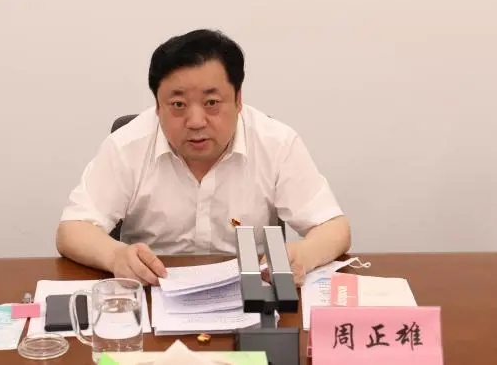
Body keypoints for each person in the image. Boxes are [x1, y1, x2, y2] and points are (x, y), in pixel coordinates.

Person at [56, 29, 351, 287]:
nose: (196, 121)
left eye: (211, 102)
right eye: (178, 104)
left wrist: (303, 255)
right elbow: (72, 230)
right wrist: (116, 256)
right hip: (152, 292)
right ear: (157, 106)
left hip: (252, 295)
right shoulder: (127, 145)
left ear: (238, 100)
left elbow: (334, 228)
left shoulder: (277, 143)